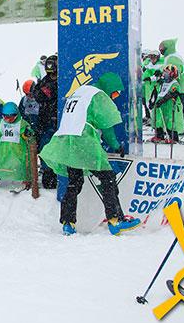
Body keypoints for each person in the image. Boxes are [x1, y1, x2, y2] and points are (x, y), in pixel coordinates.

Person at [40, 72, 141, 236]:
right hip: (83, 140)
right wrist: (116, 146)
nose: (114, 97)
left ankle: (68, 223)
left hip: (67, 141)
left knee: (74, 182)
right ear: (109, 86)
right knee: (107, 178)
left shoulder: (80, 92)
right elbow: (107, 128)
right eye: (115, 93)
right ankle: (115, 220)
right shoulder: (98, 95)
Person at [0, 102, 35, 191]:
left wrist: (27, 134)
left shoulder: (22, 124)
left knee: (21, 165)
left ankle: (25, 182)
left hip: (18, 151)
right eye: (5, 117)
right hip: (2, 151)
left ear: (16, 115)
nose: (8, 120)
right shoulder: (0, 123)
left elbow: (29, 137)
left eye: (10, 117)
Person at [159, 38, 184, 135]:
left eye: (162, 49)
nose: (161, 51)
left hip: (178, 84)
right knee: (179, 105)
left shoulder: (172, 58)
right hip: (177, 83)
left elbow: (175, 70)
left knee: (180, 106)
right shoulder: (171, 56)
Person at [32, 55, 59, 188]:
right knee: (45, 147)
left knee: (57, 149)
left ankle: (56, 174)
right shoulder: (45, 80)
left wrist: (48, 93)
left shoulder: (62, 80)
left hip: (58, 121)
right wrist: (46, 93)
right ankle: (48, 175)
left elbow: (53, 94)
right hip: (45, 121)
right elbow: (37, 94)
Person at [150, 64, 184, 143]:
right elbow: (157, 89)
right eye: (164, 72)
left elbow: (172, 94)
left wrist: (162, 101)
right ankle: (159, 135)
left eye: (167, 72)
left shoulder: (175, 84)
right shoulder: (163, 82)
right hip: (161, 105)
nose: (164, 74)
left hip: (170, 105)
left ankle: (173, 137)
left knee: (170, 121)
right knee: (158, 119)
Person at [141, 50, 162, 123]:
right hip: (148, 87)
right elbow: (145, 73)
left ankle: (156, 120)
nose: (152, 59)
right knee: (148, 103)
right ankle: (151, 119)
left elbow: (159, 76)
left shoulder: (160, 64)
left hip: (156, 87)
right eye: (151, 57)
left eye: (154, 57)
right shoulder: (148, 64)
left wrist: (150, 78)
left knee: (154, 103)